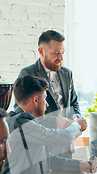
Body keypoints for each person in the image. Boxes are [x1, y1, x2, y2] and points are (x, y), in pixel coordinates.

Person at [18, 30, 80, 159]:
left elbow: (74, 103)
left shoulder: (67, 74)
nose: (61, 58)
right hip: (43, 143)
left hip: (66, 143)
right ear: (41, 51)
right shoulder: (27, 73)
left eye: (62, 53)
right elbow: (21, 111)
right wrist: (55, 121)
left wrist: (76, 117)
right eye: (56, 53)